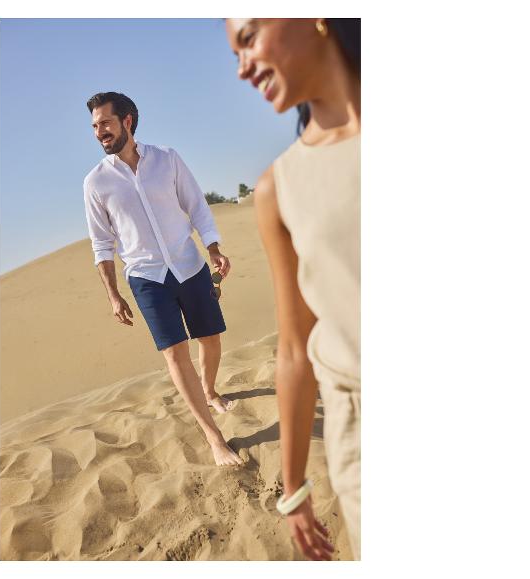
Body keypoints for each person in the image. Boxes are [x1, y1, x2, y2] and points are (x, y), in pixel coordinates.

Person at [225, 19, 361, 560]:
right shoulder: (277, 187)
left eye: (250, 36)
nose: (241, 67)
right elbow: (292, 349)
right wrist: (294, 487)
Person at [83, 92, 243, 467]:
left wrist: (214, 248)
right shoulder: (96, 183)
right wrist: (113, 294)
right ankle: (213, 435)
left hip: (189, 264)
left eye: (105, 123)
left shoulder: (167, 159)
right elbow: (102, 243)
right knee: (175, 352)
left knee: (210, 338)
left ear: (127, 121)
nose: (99, 132)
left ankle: (210, 390)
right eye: (94, 126)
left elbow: (196, 205)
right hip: (146, 276)